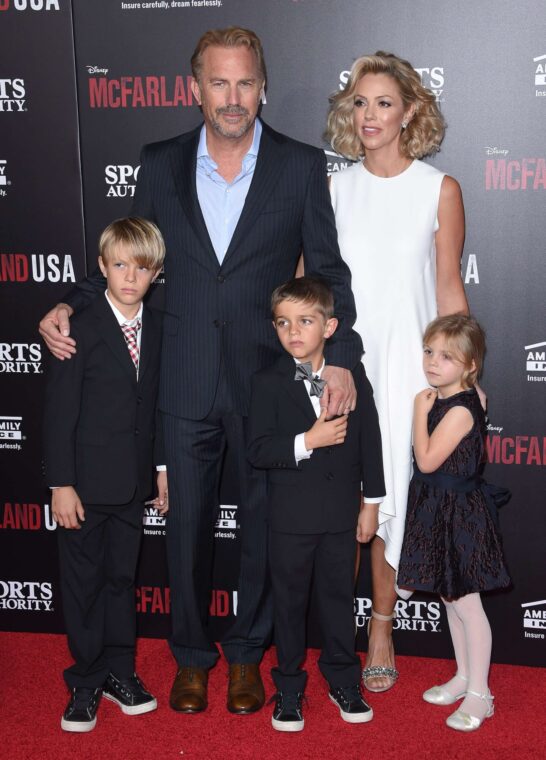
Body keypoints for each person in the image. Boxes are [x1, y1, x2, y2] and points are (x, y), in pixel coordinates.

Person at [39, 27, 362, 715]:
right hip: (179, 384)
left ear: (262, 87)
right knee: (183, 534)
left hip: (267, 386)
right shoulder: (157, 163)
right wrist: (68, 304)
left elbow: (330, 276)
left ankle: (247, 655)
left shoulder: (300, 165)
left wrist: (343, 357)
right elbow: (126, 255)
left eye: (245, 82)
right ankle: (192, 657)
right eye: (219, 82)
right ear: (195, 89)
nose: (233, 97)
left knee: (262, 533)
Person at [325, 51, 469, 692]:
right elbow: (314, 290)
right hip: (344, 367)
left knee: (392, 502)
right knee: (337, 501)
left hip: (409, 366)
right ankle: (329, 634)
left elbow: (447, 291)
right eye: (360, 102)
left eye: (384, 102)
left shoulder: (438, 189)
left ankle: (381, 625)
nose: (370, 115)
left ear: (410, 110)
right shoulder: (333, 186)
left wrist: (462, 374)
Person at [43, 218, 168, 732]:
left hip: (133, 483)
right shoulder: (81, 326)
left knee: (121, 581)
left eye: (141, 268)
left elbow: (154, 406)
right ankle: (85, 682)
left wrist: (161, 470)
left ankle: (120, 672)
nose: (130, 276)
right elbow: (58, 411)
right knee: (83, 586)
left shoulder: (158, 327)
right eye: (119, 265)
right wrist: (61, 483)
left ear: (155, 274)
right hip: (85, 487)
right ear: (102, 268)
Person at [247, 277, 385, 731]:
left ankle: (343, 677)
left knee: (338, 599)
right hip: (288, 520)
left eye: (305, 321)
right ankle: (288, 685)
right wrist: (309, 440)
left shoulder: (351, 378)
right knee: (288, 605)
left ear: (329, 327)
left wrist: (371, 503)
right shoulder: (266, 381)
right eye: (283, 322)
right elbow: (258, 450)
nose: (293, 331)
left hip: (340, 516)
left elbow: (370, 441)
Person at [397, 315, 510, 731]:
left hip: (461, 515)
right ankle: (463, 676)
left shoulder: (459, 409)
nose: (432, 362)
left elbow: (426, 460)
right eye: (429, 351)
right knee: (449, 599)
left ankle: (481, 693)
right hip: (440, 509)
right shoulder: (458, 396)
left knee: (468, 604)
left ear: (469, 365)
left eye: (446, 357)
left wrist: (416, 413)